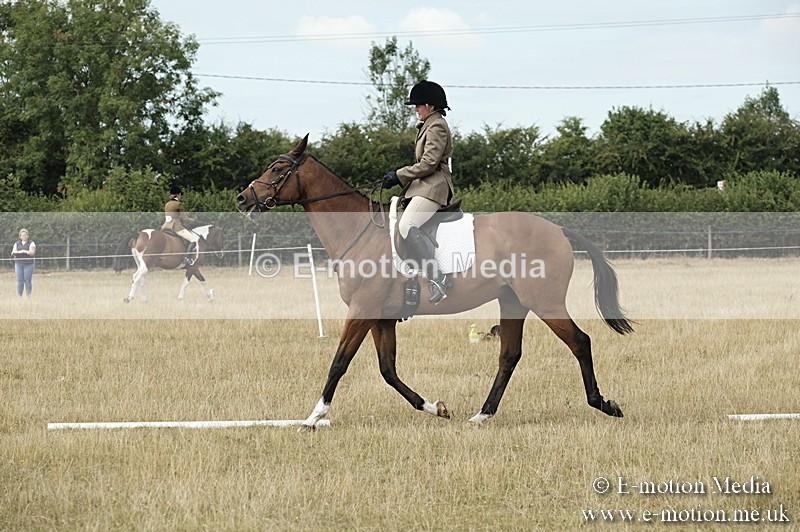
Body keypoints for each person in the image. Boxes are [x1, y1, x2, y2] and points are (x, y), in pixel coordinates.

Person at [384, 80, 455, 304]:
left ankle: (438, 278)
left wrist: (399, 175)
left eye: (418, 105)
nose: (415, 109)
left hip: (434, 186)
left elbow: (429, 164)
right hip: (423, 186)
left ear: (430, 106)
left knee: (407, 225)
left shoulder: (437, 126)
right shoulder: (428, 125)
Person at [161, 185, 200, 266]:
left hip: (165, 226)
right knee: (194, 239)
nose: (181, 196)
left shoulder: (167, 204)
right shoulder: (178, 204)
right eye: (180, 195)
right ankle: (187, 258)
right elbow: (185, 218)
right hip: (175, 226)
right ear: (178, 194)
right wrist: (195, 221)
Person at [11, 228, 36, 297]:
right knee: (20, 281)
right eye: (22, 235)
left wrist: (25, 251)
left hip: (29, 264)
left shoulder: (31, 243)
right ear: (20, 236)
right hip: (18, 264)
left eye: (25, 235)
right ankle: (19, 296)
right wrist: (20, 252)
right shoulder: (16, 244)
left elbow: (32, 252)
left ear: (27, 236)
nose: (23, 236)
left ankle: (28, 296)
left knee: (27, 281)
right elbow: (13, 252)